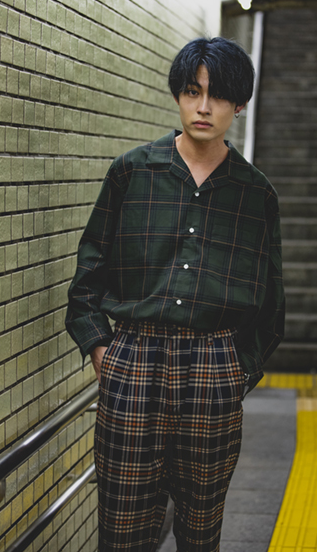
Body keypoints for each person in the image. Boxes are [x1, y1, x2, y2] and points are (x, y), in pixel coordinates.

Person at [65, 36, 285, 552]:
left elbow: (271, 303)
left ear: (239, 104)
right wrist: (102, 350)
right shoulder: (131, 172)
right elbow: (89, 273)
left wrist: (237, 371)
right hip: (134, 358)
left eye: (218, 95)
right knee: (122, 527)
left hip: (214, 363)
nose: (203, 107)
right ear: (178, 96)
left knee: (200, 528)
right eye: (192, 92)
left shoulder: (255, 194)